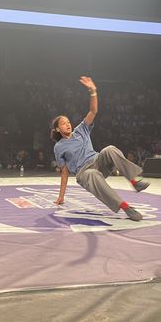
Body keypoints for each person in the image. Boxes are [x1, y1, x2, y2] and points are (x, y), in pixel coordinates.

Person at [51, 76, 149, 221]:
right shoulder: (59, 147)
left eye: (68, 121)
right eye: (63, 123)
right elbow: (64, 173)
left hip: (98, 161)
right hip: (84, 172)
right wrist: (61, 197)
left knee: (109, 149)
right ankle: (126, 207)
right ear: (58, 129)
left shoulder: (80, 130)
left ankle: (135, 182)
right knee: (92, 174)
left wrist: (93, 91)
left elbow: (93, 111)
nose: (68, 124)